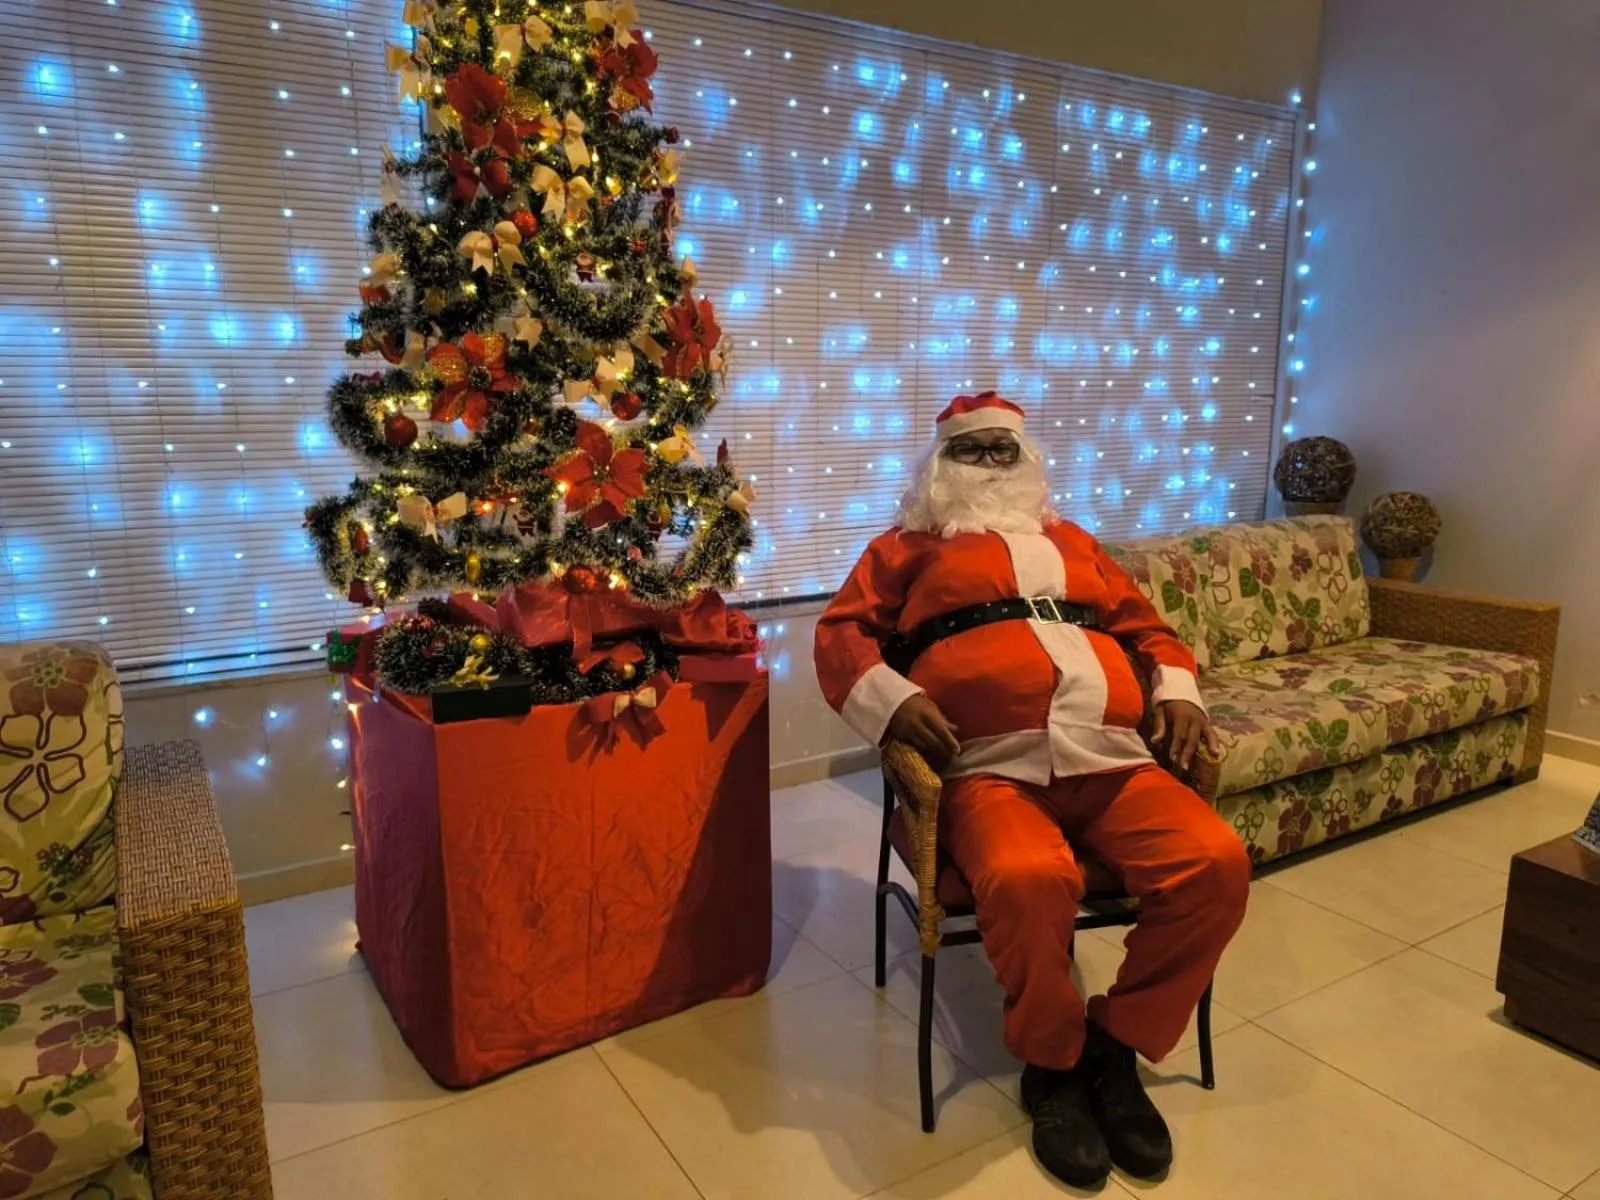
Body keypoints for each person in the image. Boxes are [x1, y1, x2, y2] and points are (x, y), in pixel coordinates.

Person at [813, 391, 1250, 1188]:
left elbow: (1150, 631)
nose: (987, 464)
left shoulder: (1074, 542)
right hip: (990, 767)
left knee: (1215, 865)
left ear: (1027, 461)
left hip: (1113, 758)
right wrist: (893, 700)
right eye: (969, 449)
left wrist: (1178, 691)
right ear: (940, 464)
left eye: (1002, 450)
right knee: (1025, 877)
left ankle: (1114, 1045)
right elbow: (842, 632)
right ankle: (1052, 1062)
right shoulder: (906, 546)